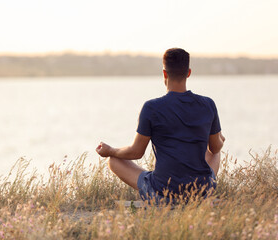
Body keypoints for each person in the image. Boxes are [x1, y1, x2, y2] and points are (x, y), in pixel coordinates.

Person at [96, 48, 225, 204]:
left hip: (162, 194)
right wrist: (220, 138)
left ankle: (161, 186)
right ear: (188, 73)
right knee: (212, 150)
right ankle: (195, 195)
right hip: (202, 192)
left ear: (164, 73)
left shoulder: (151, 108)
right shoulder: (208, 104)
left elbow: (136, 152)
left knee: (113, 161)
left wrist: (110, 150)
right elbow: (216, 148)